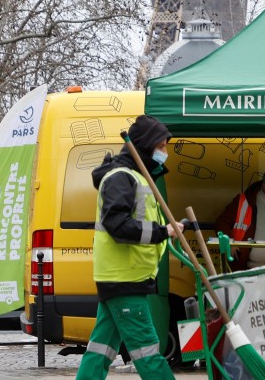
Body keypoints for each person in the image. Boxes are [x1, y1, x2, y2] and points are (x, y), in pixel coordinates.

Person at [76, 115, 184, 380]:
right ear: (146, 146)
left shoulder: (135, 176)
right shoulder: (121, 178)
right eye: (161, 146)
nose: (165, 152)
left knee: (101, 348)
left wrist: (167, 231)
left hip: (124, 276)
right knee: (147, 352)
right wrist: (163, 232)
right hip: (124, 277)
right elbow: (118, 225)